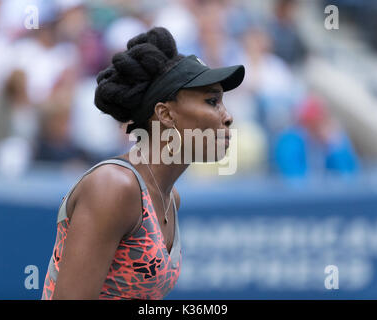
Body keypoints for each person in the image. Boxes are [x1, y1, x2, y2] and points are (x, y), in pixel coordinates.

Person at [41, 27, 245, 300]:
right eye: (212, 101)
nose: (228, 116)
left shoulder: (171, 198)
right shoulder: (114, 188)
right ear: (165, 114)